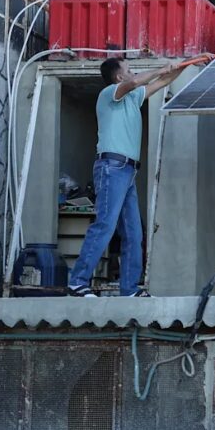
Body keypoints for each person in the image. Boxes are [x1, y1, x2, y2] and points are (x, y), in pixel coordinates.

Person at [67, 58, 183, 297]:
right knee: (105, 225)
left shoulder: (133, 97)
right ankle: (77, 282)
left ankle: (129, 289)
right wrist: (161, 68)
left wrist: (183, 66)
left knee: (134, 233)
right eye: (129, 70)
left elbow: (163, 81)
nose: (134, 73)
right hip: (112, 168)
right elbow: (141, 81)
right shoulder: (110, 93)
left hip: (128, 172)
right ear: (119, 77)